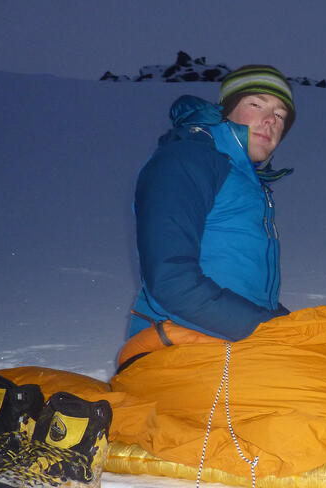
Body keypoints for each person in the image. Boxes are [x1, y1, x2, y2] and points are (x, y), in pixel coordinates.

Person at [123, 65, 296, 359]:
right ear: (226, 110)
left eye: (280, 115)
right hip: (175, 345)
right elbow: (171, 282)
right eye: (257, 104)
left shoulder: (246, 181)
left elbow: (244, 292)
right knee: (325, 398)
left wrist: (291, 325)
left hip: (230, 343)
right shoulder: (187, 160)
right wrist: (272, 330)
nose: (270, 120)